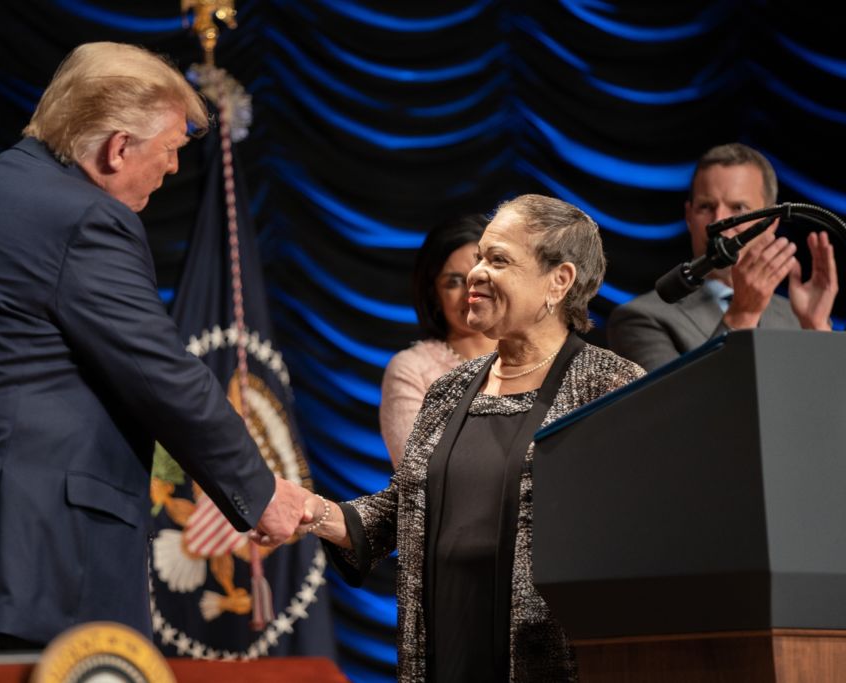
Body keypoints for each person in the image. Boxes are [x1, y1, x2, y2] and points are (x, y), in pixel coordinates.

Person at [0, 42, 310, 646]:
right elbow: (160, 373)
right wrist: (261, 490)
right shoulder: (82, 218)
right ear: (118, 146)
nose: (172, 170)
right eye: (169, 150)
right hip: (19, 570)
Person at [299, 195, 645, 682]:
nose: (477, 273)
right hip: (444, 647)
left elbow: (638, 535)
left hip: (550, 659)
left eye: (498, 259)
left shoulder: (610, 385)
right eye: (481, 256)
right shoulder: (448, 390)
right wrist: (316, 512)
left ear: (559, 281)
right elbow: (403, 507)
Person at [608, 143, 838, 371]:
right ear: (689, 217)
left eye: (738, 208)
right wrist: (743, 315)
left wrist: (816, 326)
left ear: (771, 221)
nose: (718, 221)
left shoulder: (795, 317)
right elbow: (679, 405)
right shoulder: (640, 318)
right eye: (706, 207)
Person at [380, 215, 497, 467]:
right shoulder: (412, 369)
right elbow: (419, 472)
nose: (471, 292)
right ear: (434, 295)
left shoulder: (534, 353)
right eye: (454, 282)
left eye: (481, 277)